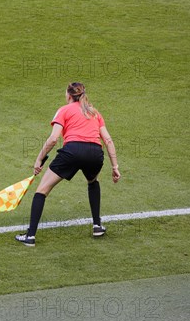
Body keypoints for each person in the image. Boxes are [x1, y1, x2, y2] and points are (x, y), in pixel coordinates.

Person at [16, 82, 121, 247]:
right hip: (95, 153)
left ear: (69, 95)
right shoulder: (94, 112)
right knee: (93, 181)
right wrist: (115, 167)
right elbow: (107, 140)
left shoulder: (64, 110)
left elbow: (53, 139)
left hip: (72, 151)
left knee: (42, 190)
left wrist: (39, 159)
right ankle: (97, 225)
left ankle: (30, 236)